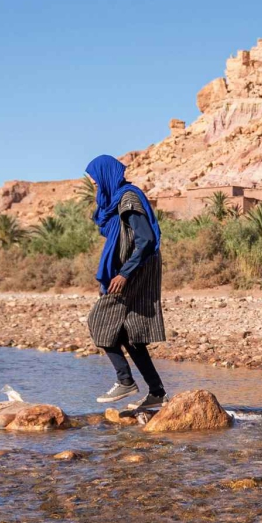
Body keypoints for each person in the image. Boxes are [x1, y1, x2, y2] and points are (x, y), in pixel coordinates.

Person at [85, 155, 167, 407]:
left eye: (97, 183)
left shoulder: (128, 199)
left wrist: (124, 273)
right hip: (131, 270)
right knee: (130, 335)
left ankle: (125, 381)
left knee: (98, 321)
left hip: (135, 271)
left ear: (107, 176)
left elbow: (146, 240)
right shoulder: (117, 201)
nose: (96, 188)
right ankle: (157, 393)